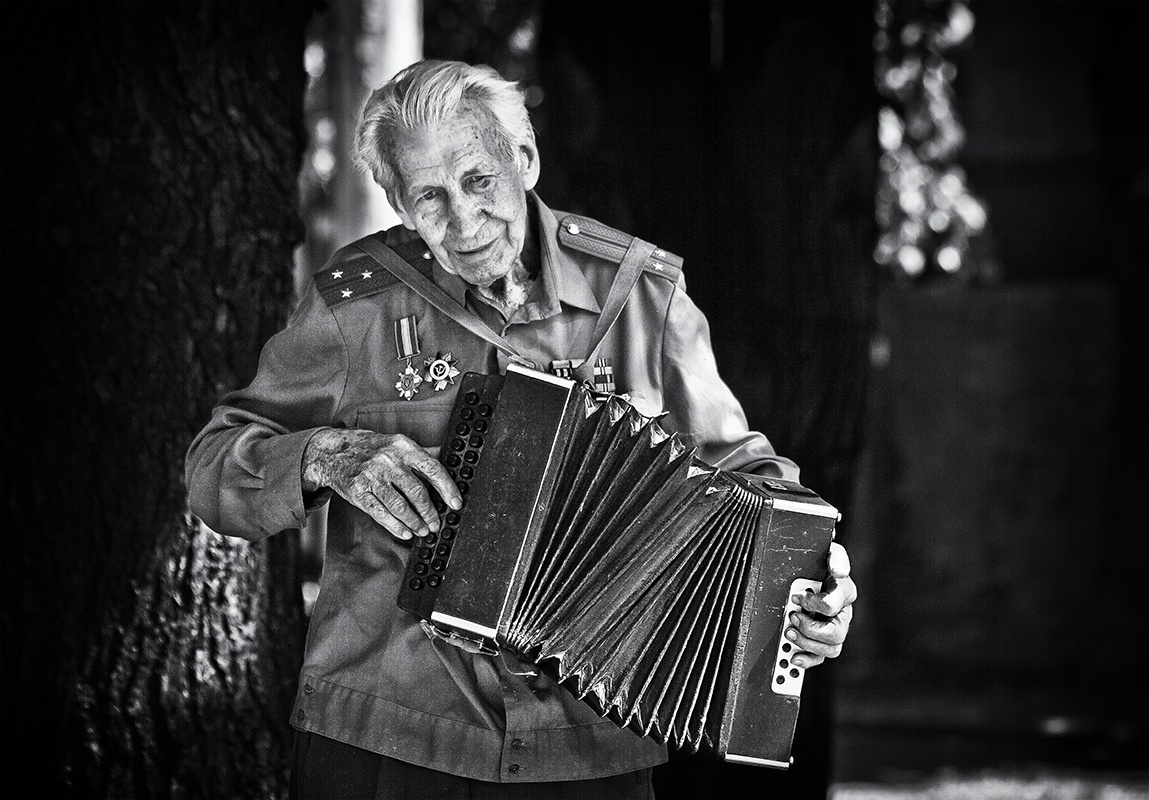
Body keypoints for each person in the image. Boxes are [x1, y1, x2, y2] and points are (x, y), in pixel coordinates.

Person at [185, 59, 856, 799]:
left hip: (592, 738)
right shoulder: (357, 308)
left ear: (524, 158)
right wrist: (326, 455)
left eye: (479, 181)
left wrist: (810, 584)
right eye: (429, 198)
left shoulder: (639, 294)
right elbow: (216, 469)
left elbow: (749, 482)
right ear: (398, 203)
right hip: (392, 733)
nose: (464, 223)